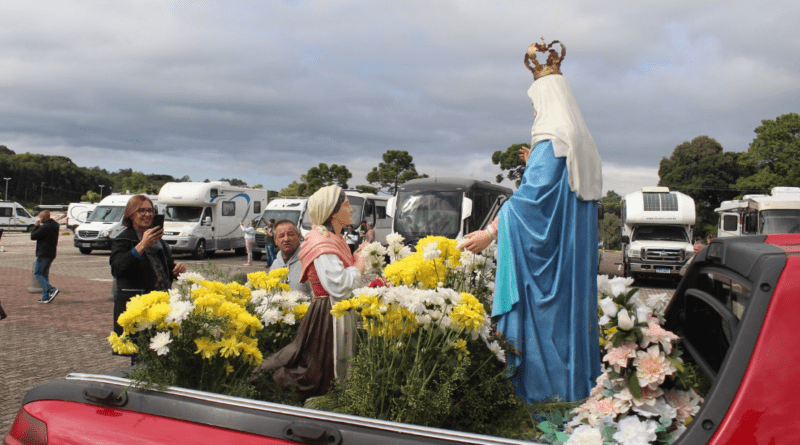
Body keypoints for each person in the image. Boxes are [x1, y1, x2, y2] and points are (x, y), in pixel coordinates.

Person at [461, 39, 602, 404]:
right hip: (570, 260)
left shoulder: (551, 140)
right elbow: (555, 197)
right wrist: (533, 165)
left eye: (534, 104)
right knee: (570, 326)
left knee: (546, 328)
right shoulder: (580, 144)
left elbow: (530, 204)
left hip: (547, 270)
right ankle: (575, 391)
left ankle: (548, 397)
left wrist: (491, 231)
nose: (535, 112)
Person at [251, 185, 365, 400]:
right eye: (346, 205)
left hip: (334, 309)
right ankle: (273, 386)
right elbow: (338, 285)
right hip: (328, 312)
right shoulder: (322, 242)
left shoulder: (333, 239)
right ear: (332, 211)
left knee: (327, 365)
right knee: (317, 371)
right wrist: (360, 265)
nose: (350, 209)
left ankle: (336, 399)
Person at [109, 195, 186, 338]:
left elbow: (166, 269)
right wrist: (142, 246)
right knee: (139, 356)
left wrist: (176, 271)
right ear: (131, 214)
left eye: (150, 211)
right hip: (137, 307)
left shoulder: (159, 242)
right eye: (142, 211)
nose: (148, 215)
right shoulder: (123, 240)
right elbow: (117, 269)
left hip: (160, 307)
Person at [270, 219, 311, 294]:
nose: (286, 239)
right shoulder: (275, 265)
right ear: (275, 240)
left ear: (298, 236)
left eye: (290, 234)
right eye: (281, 236)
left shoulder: (309, 261)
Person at [31, 210, 60, 303]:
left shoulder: (45, 227)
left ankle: (51, 289)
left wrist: (35, 227)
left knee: (37, 273)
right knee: (44, 274)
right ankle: (45, 297)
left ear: (43, 217)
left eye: (40, 217)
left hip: (43, 253)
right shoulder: (55, 225)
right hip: (51, 252)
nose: (40, 219)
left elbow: (33, 236)